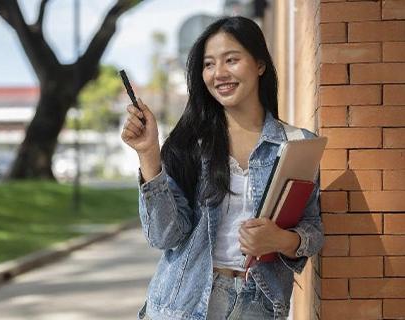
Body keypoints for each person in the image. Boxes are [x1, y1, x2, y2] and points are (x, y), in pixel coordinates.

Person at [121, 16, 324, 320]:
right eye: (209, 64)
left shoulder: (297, 145)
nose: (219, 73)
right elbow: (164, 237)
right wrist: (149, 154)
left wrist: (280, 240)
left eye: (231, 60)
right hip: (182, 305)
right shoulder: (191, 144)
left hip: (258, 305)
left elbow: (313, 230)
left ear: (259, 64)